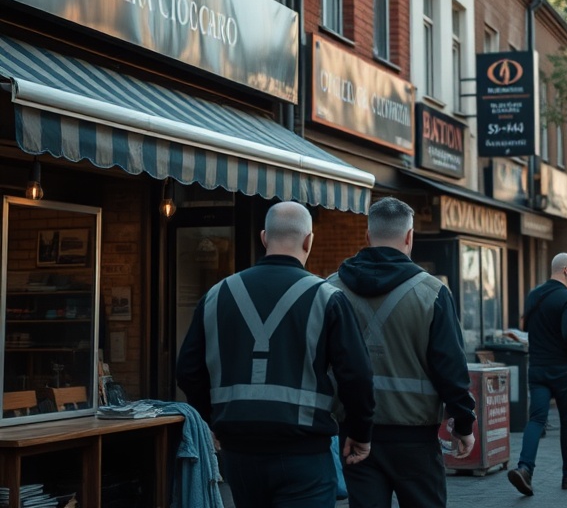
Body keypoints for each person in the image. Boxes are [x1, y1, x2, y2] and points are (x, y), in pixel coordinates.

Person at [177, 201, 375, 508]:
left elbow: (188, 369)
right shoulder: (327, 298)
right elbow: (357, 376)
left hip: (239, 453)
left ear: (264, 238)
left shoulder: (216, 295)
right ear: (309, 240)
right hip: (304, 452)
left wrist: (211, 420)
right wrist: (361, 432)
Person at [328, 197, 476, 507]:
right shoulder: (432, 292)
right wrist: (463, 424)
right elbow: (450, 366)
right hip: (415, 437)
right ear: (409, 237)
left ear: (367, 237)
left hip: (353, 432)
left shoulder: (331, 289)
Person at [507, 252, 567, 496]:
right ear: (566, 270)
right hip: (561, 369)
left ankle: (524, 468)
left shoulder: (533, 295)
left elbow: (527, 327)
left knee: (536, 419)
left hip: (536, 368)